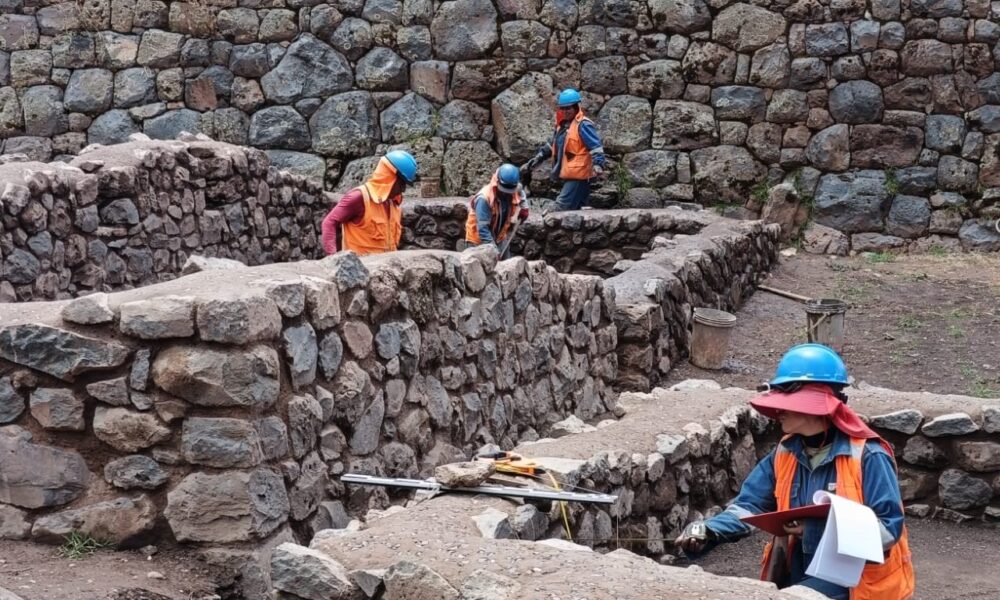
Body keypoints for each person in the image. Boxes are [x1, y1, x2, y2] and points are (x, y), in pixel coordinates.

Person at [674, 344, 915, 600]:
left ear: (816, 405)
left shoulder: (870, 456)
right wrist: (710, 530)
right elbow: (749, 506)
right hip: (801, 571)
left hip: (859, 584)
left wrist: (814, 530)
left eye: (786, 401)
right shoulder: (785, 451)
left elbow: (888, 531)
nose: (778, 410)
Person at [524, 88, 606, 213]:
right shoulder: (563, 126)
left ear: (576, 107)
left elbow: (595, 146)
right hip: (571, 172)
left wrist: (598, 164)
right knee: (577, 209)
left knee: (560, 207)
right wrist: (540, 156)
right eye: (562, 108)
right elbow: (554, 144)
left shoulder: (583, 125)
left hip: (579, 174)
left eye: (568, 108)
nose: (565, 111)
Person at [321, 150, 417, 256]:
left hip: (388, 266)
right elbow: (329, 223)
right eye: (401, 183)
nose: (403, 189)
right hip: (359, 266)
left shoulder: (394, 203)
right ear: (389, 177)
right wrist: (334, 258)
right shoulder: (359, 197)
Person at [464, 163, 529, 259]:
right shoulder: (484, 199)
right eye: (504, 190)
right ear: (497, 181)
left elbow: (520, 190)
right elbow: (483, 229)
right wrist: (494, 251)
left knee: (507, 265)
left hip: (500, 237)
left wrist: (524, 207)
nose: (507, 193)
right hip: (478, 242)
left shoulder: (512, 185)